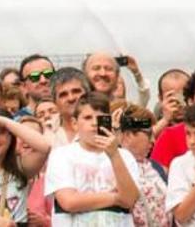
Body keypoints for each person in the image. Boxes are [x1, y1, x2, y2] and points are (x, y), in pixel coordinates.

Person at [44, 92, 141, 227]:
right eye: (87, 118)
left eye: (101, 118)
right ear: (75, 123)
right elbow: (69, 202)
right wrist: (115, 198)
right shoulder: (61, 155)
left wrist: (114, 155)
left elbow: (129, 199)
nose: (95, 123)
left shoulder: (124, 156)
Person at [113, 105, 166, 227]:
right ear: (127, 135)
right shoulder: (110, 167)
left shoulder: (156, 167)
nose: (153, 140)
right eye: (149, 134)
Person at [0, 107, 38, 224]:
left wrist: (4, 121)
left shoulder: (21, 167)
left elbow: (44, 147)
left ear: (11, 136)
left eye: (2, 131)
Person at [82, 53, 149, 108]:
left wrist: (137, 73)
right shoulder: (76, 107)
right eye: (96, 68)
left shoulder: (125, 111)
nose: (103, 73)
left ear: (117, 76)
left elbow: (144, 98)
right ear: (85, 74)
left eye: (108, 69)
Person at [46, 69, 90, 147]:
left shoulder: (102, 127)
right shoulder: (45, 130)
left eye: (76, 91)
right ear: (54, 101)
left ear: (88, 94)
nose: (71, 98)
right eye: (63, 94)